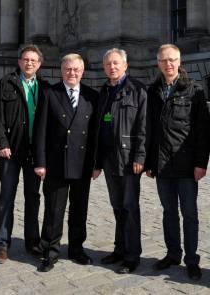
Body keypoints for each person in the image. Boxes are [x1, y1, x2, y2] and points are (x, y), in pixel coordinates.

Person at [146, 44, 210, 280]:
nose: (168, 64)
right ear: (158, 64)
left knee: (190, 213)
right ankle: (173, 253)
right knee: (168, 212)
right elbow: (149, 131)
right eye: (163, 61)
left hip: (186, 165)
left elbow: (203, 132)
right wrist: (149, 162)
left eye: (172, 60)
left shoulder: (194, 90)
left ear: (179, 62)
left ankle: (192, 259)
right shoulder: (152, 92)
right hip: (162, 165)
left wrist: (201, 163)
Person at [34, 53, 98, 272]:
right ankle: (50, 251)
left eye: (76, 69)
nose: (72, 73)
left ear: (82, 71)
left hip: (82, 163)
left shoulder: (92, 96)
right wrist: (40, 162)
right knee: (54, 210)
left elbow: (95, 134)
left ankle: (77, 248)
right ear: (62, 70)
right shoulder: (50, 93)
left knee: (79, 208)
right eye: (68, 69)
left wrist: (96, 163)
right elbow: (40, 132)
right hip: (55, 163)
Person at [0, 44, 50, 263]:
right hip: (10, 151)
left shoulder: (45, 87)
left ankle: (32, 242)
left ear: (39, 64)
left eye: (34, 60)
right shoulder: (6, 83)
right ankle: (2, 243)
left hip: (34, 153)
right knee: (6, 197)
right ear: (19, 62)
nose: (29, 63)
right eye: (26, 59)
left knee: (33, 198)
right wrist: (1, 143)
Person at [92, 48, 148, 274]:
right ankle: (120, 249)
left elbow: (144, 127)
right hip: (108, 160)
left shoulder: (138, 90)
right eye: (108, 64)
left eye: (116, 63)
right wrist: (97, 162)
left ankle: (132, 256)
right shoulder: (104, 90)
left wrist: (140, 156)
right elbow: (98, 128)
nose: (112, 67)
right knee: (117, 207)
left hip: (128, 160)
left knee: (130, 208)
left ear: (125, 66)